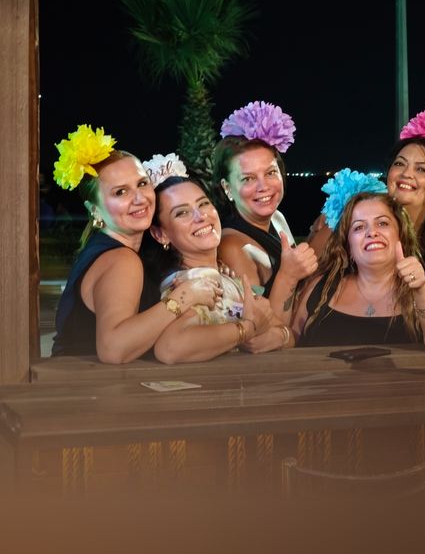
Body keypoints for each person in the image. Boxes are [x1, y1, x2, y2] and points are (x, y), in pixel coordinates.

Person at [50, 125, 218, 362]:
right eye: (120, 192)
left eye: (142, 183)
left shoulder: (107, 250)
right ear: (94, 210)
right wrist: (184, 297)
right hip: (83, 382)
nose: (140, 198)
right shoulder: (121, 260)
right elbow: (113, 349)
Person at [140, 155, 283, 363]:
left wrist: (279, 337)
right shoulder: (185, 286)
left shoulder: (227, 278)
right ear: (160, 234)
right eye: (182, 213)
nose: (201, 216)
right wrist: (246, 329)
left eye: (204, 204)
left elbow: (285, 331)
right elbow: (169, 348)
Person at [292, 190, 425, 353]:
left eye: (382, 223)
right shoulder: (319, 289)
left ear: (400, 234)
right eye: (359, 227)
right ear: (348, 247)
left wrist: (421, 289)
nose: (371, 232)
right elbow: (289, 342)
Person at [307, 107, 425, 280]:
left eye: (421, 169)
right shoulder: (352, 217)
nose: (406, 174)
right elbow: (306, 274)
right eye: (399, 164)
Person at [212, 100, 318, 319]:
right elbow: (260, 327)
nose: (264, 187)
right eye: (248, 178)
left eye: (270, 173)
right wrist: (288, 276)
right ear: (227, 187)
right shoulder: (231, 247)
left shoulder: (277, 218)